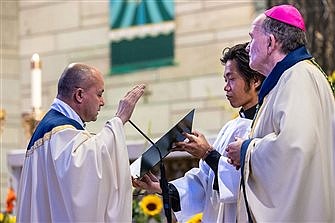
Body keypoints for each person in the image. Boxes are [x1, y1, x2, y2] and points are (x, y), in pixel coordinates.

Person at [226, 4, 335, 222]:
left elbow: (294, 147)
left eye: (252, 38)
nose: (248, 48)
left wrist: (246, 150)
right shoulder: (290, 78)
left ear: (270, 43)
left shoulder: (297, 77)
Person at [133, 43, 264, 222]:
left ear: (255, 80)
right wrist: (161, 187)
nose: (226, 87)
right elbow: (204, 183)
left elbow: (248, 184)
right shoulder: (230, 127)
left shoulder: (263, 126)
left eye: (231, 79)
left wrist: (207, 153)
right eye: (225, 80)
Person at [16, 63, 145, 222]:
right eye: (99, 94)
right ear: (79, 95)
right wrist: (119, 120)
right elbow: (83, 175)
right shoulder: (59, 131)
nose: (102, 102)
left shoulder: (53, 129)